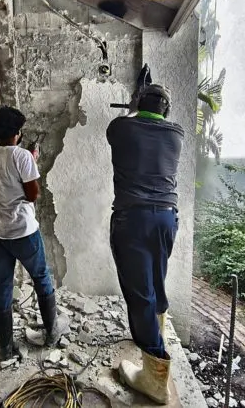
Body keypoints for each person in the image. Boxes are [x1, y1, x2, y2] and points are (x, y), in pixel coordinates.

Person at [106, 84, 184, 404]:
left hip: (133, 221)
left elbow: (126, 124)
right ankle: (158, 335)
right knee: (154, 282)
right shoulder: (176, 133)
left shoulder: (121, 127)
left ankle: (154, 377)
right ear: (166, 110)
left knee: (139, 296)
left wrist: (133, 107)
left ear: (138, 103)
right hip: (167, 218)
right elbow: (152, 124)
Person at [0, 106, 65, 361]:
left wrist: (26, 158)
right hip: (23, 232)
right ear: (17, 133)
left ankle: (5, 347)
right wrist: (31, 160)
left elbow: (6, 166)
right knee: (41, 278)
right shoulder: (23, 158)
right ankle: (52, 333)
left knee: (4, 286)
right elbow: (32, 195)